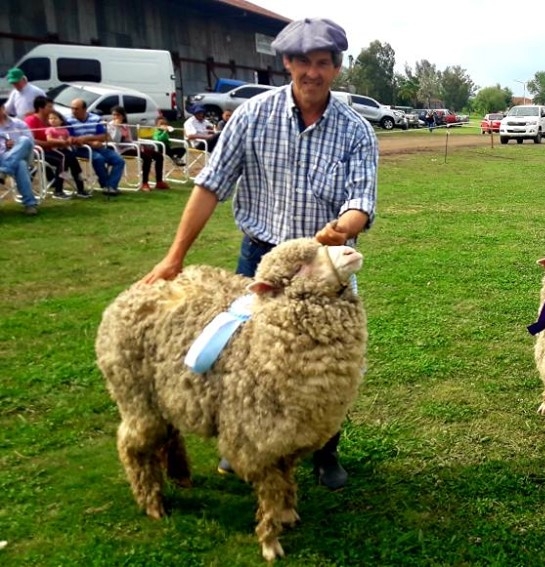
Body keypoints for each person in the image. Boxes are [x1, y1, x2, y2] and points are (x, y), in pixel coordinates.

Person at [140, 17, 378, 490]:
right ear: (287, 63)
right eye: (303, 62)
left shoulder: (356, 130)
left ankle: (325, 451)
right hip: (261, 261)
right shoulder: (252, 117)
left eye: (323, 64)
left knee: (327, 364)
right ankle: (245, 440)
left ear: (336, 69)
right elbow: (210, 186)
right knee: (246, 360)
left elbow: (361, 201)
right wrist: (174, 257)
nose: (313, 72)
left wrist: (342, 228)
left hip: (324, 266)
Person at [24, 96, 88, 199]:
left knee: (72, 158)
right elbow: (31, 141)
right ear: (41, 108)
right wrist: (54, 143)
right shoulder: (31, 120)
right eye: (49, 107)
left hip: (54, 149)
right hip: (38, 152)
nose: (52, 109)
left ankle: (80, 188)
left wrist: (70, 140)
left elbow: (63, 132)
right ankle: (58, 190)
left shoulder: (50, 120)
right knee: (63, 159)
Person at [66, 99, 125, 196]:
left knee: (119, 160)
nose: (73, 111)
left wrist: (87, 138)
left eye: (76, 109)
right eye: (72, 108)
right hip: (80, 149)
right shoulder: (68, 120)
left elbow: (105, 136)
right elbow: (73, 139)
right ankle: (106, 186)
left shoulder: (95, 118)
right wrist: (91, 143)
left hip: (98, 147)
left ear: (84, 109)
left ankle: (111, 186)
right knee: (98, 159)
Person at [107, 106, 168, 191]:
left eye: (118, 115)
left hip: (131, 147)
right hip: (121, 150)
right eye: (114, 115)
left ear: (123, 116)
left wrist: (138, 145)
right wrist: (117, 127)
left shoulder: (125, 125)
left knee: (158, 156)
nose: (115, 117)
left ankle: (159, 181)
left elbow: (130, 140)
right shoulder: (111, 125)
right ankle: (144, 183)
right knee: (147, 158)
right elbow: (116, 140)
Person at [0, 103, 39, 215]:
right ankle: (30, 204)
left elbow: (30, 142)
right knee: (20, 164)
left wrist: (15, 145)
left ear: (3, 109)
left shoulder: (18, 124)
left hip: (19, 155)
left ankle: (3, 171)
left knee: (24, 140)